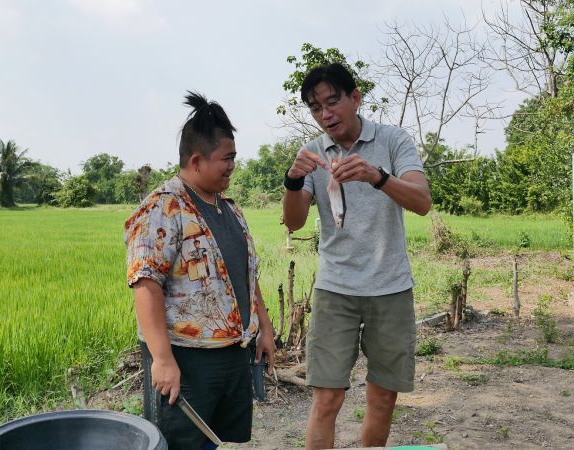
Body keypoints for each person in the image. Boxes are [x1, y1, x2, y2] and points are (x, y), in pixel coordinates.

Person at [282, 63, 432, 449]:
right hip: (335, 289)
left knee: (382, 399)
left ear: (355, 98)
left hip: (390, 287)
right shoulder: (313, 154)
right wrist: (293, 181)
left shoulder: (393, 140)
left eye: (333, 102)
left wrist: (376, 176)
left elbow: (422, 202)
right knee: (326, 399)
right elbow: (294, 222)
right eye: (316, 108)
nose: (326, 114)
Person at [125, 91, 276, 450]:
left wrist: (264, 327)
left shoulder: (230, 208)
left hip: (233, 351)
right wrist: (163, 360)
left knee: (217, 440)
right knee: (181, 443)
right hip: (187, 357)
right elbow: (145, 284)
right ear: (196, 161)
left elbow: (247, 275)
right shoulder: (163, 209)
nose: (233, 166)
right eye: (227, 159)